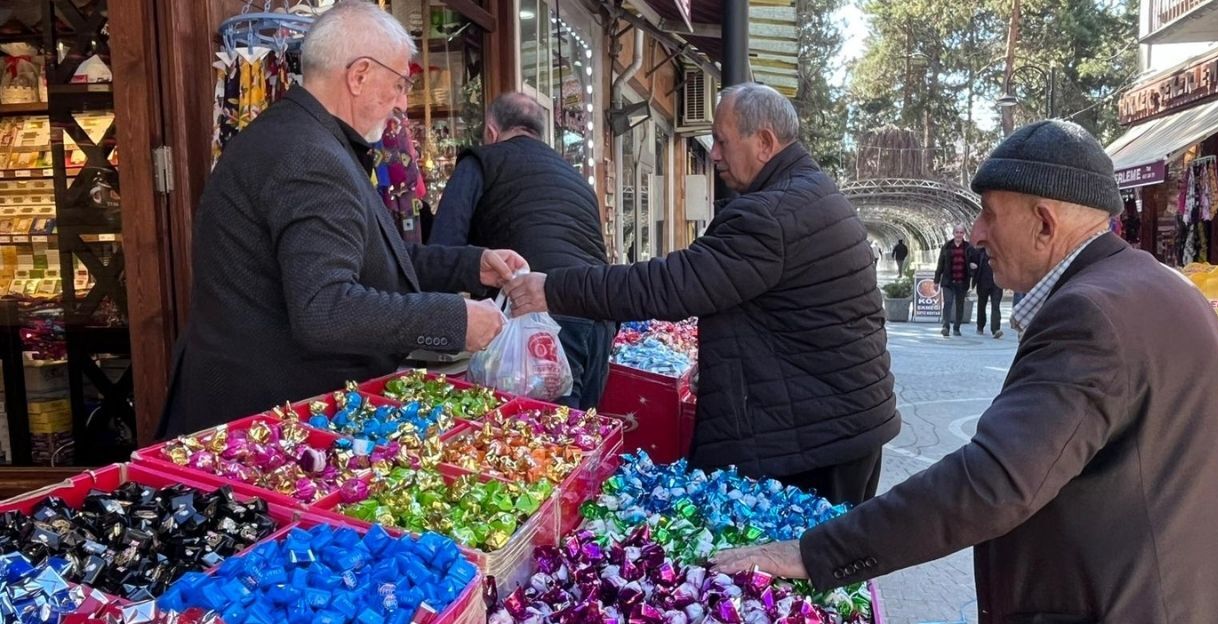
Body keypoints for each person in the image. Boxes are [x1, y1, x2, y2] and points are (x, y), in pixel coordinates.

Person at [711, 120, 1218, 624]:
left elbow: (993, 482)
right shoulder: (1154, 289)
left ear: (1043, 222)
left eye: (988, 214)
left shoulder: (1092, 316)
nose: (976, 234)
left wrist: (817, 551)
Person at [505, 83, 899, 505]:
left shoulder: (770, 214)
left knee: (784, 562)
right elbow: (791, 316)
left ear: (764, 142)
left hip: (810, 443)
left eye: (723, 141)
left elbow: (671, 285)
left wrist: (553, 288)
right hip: (840, 426)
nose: (713, 154)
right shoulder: (808, 193)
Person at [158, 1, 526, 438]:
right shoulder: (310, 154)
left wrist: (470, 264)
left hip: (265, 412)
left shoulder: (304, 137)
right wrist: (455, 320)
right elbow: (326, 310)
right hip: (264, 421)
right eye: (400, 83)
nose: (403, 103)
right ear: (359, 76)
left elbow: (366, 255)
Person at [428, 92, 614, 409]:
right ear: (538, 133)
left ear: (491, 131)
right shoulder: (575, 176)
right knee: (581, 443)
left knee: (541, 444)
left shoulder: (482, 160)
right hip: (600, 319)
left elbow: (443, 248)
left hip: (542, 319)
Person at [933, 226, 975, 336]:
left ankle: (957, 327)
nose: (959, 234)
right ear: (953, 233)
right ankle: (946, 326)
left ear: (964, 234)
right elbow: (940, 264)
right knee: (948, 303)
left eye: (961, 232)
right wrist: (936, 281)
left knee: (960, 305)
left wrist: (972, 268)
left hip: (962, 281)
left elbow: (975, 261)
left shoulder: (968, 247)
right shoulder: (947, 247)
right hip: (948, 281)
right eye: (957, 232)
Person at [972, 246, 1003, 338]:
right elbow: (973, 264)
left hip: (997, 283)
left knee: (996, 305)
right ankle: (980, 326)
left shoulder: (1000, 251)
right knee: (981, 305)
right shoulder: (979, 251)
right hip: (982, 282)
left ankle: (996, 329)